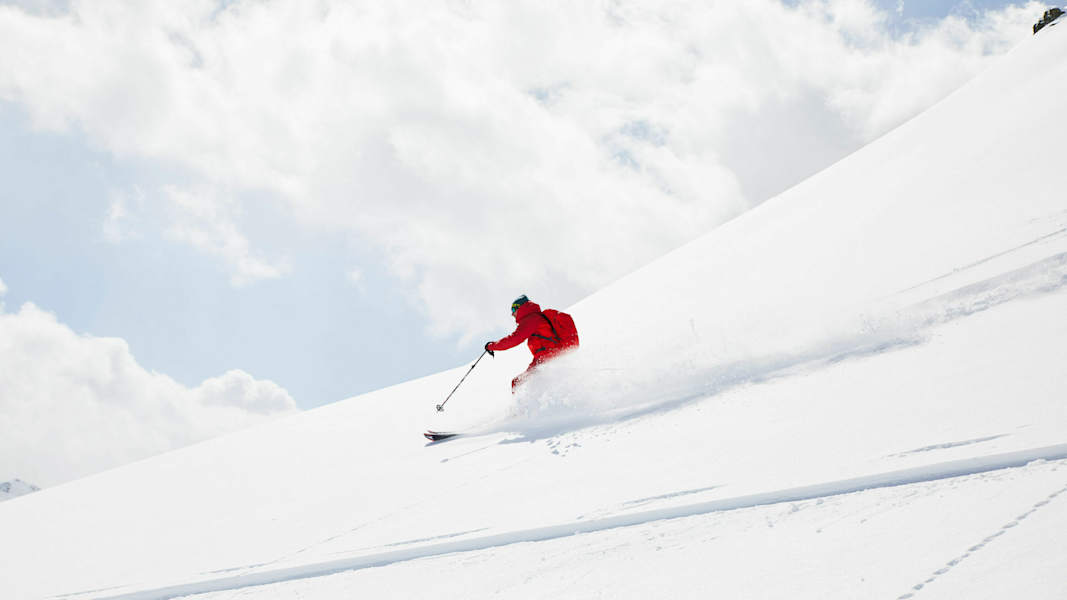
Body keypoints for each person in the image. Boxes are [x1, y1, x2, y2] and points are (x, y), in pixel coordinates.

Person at [485, 295, 579, 391]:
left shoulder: (531, 319)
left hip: (547, 358)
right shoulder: (535, 318)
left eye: (513, 310)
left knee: (518, 383)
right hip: (547, 357)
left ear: (520, 307)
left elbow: (514, 339)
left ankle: (532, 400)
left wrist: (491, 346)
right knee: (518, 382)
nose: (512, 314)